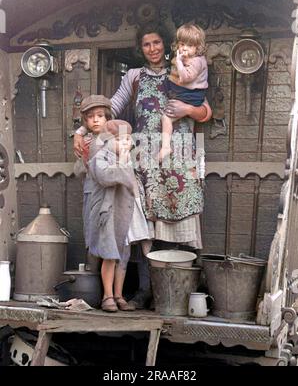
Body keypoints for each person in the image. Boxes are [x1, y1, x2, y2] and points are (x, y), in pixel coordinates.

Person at [74, 22, 212, 308]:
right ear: (141, 48)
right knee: (144, 227)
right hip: (144, 158)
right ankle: (146, 290)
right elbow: (109, 108)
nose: (153, 49)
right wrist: (81, 131)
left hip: (179, 156)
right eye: (147, 44)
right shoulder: (135, 76)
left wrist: (187, 109)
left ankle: (180, 292)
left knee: (178, 221)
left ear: (167, 44)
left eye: (157, 42)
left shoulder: (182, 69)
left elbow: (205, 110)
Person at [87, 119, 151, 312]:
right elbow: (107, 178)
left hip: (125, 213)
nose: (126, 144)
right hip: (108, 213)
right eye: (120, 140)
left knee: (123, 255)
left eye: (128, 140)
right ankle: (107, 296)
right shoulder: (100, 158)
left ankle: (118, 294)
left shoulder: (127, 159)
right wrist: (123, 162)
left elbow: (134, 184)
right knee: (109, 254)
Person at [74, 94, 112, 271]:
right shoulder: (86, 141)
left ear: (107, 118)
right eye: (90, 117)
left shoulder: (114, 139)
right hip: (92, 191)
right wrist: (84, 158)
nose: (95, 120)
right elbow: (79, 172)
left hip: (111, 194)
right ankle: (92, 281)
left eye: (100, 116)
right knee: (92, 232)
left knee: (110, 236)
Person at [159, 24, 208, 162]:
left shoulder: (197, 61)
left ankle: (166, 147)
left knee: (166, 118)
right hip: (185, 92)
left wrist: (180, 62)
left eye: (190, 45)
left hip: (191, 95)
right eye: (182, 44)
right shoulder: (187, 58)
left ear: (197, 48)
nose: (184, 48)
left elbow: (186, 78)